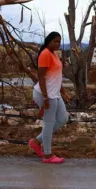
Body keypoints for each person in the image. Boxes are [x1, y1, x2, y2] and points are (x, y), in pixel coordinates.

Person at [29, 32, 69, 164]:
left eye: (59, 41)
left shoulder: (54, 54)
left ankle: (36, 141)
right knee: (48, 123)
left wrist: (63, 92)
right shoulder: (45, 54)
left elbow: (56, 76)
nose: (57, 44)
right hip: (46, 94)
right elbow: (41, 77)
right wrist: (45, 98)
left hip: (55, 93)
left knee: (63, 118)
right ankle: (47, 155)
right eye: (55, 41)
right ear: (48, 41)